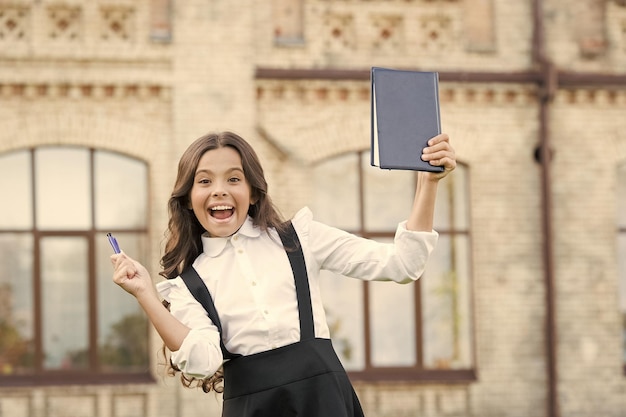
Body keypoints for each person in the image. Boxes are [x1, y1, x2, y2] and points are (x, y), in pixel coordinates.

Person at [110, 130, 456, 417]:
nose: (219, 190)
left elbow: (402, 264)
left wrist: (429, 183)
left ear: (254, 193)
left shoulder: (301, 239)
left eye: (234, 178)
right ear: (187, 199)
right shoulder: (188, 285)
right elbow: (202, 361)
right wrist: (146, 295)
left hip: (325, 402)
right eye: (204, 181)